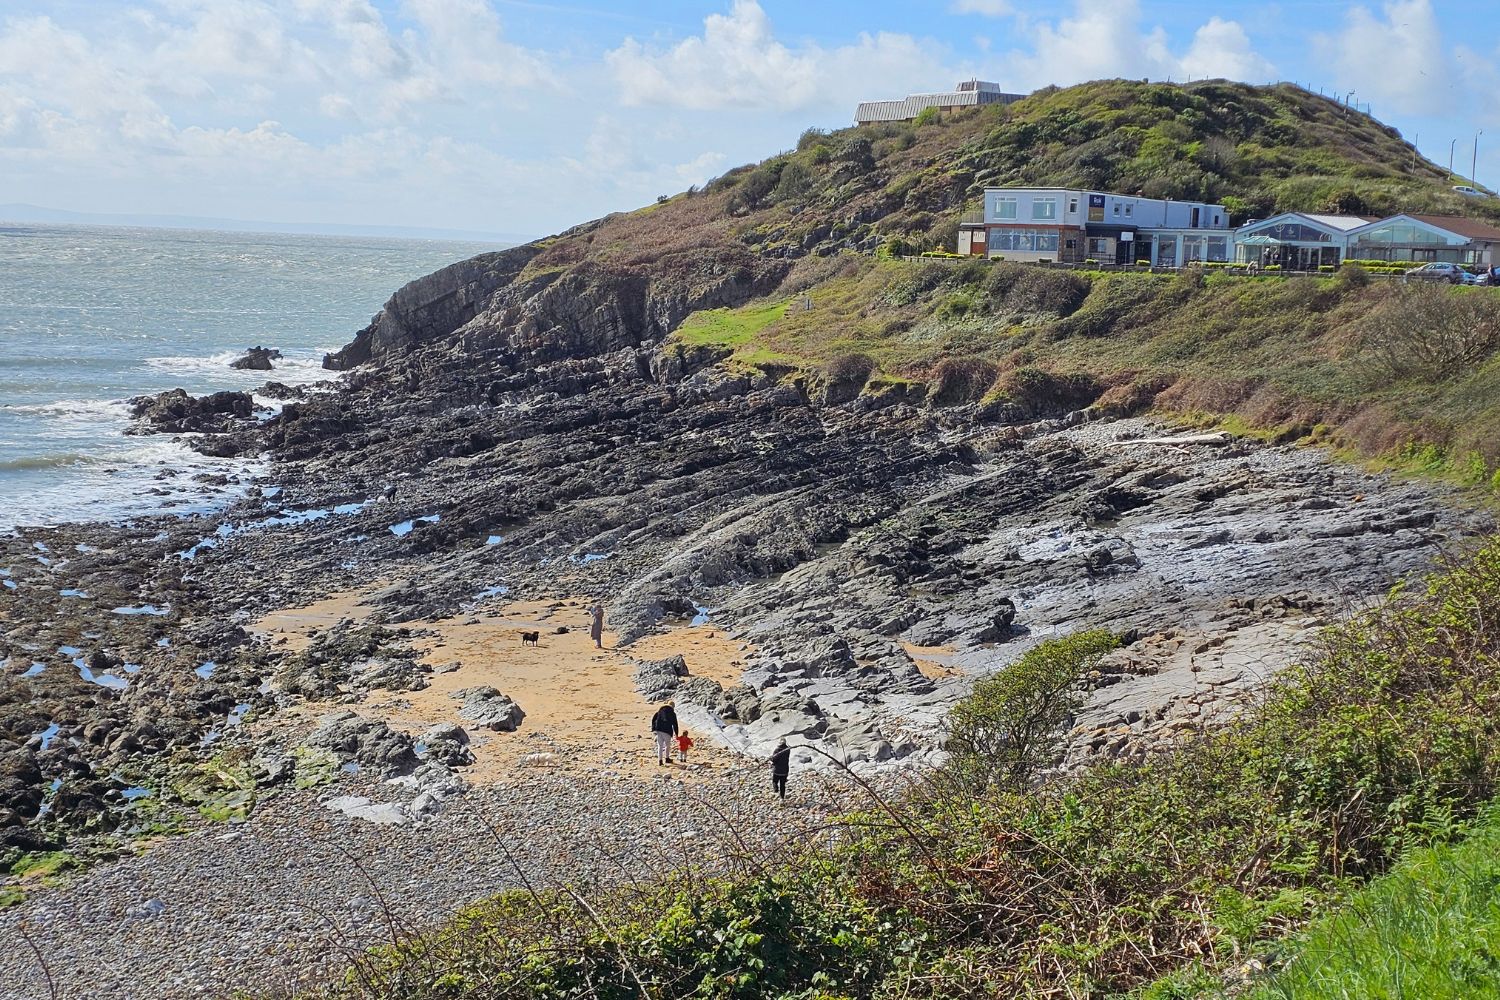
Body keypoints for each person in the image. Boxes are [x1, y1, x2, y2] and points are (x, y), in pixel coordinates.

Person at [650, 701, 678, 766]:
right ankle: (667, 758)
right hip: (667, 731)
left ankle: (660, 761)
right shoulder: (672, 713)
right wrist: (676, 734)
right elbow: (675, 724)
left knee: (660, 746)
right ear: (673, 707)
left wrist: (653, 728)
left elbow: (654, 719)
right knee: (667, 746)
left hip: (659, 730)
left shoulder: (660, 710)